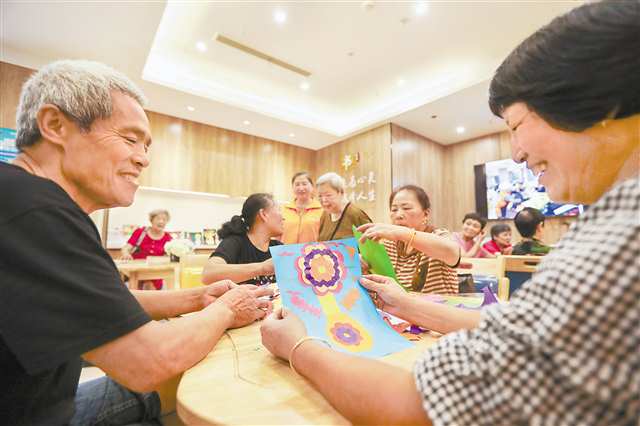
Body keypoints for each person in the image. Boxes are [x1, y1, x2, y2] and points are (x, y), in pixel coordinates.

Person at [260, 1, 640, 424]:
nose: (516, 154)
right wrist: (403, 303)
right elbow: (523, 330)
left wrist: (298, 346)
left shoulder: (622, 233)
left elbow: (422, 405)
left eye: (516, 126)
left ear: (595, 103)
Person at [0, 60, 272, 426]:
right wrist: (228, 308)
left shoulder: (22, 199)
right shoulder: (36, 209)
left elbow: (104, 306)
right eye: (130, 139)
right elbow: (149, 362)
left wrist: (197, 298)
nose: (143, 158)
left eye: (145, 145)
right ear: (55, 125)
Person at [359, 185, 460, 293]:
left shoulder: (438, 235)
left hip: (438, 304)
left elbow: (452, 251)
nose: (398, 215)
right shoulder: (390, 244)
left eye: (406, 208)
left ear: (425, 214)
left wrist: (403, 233)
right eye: (394, 209)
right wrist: (364, 266)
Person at [202, 193, 284, 286]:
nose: (283, 218)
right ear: (263, 214)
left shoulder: (279, 247)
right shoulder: (234, 242)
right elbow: (208, 275)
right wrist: (262, 268)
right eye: (279, 210)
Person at [121, 209, 173, 289]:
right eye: (158, 218)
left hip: (155, 275)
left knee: (149, 287)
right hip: (135, 273)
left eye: (164, 219)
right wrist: (126, 254)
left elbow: (168, 257)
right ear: (151, 220)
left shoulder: (168, 238)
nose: (161, 221)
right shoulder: (140, 232)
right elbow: (126, 248)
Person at [316, 172, 372, 240]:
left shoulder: (355, 214)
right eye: (320, 196)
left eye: (328, 195)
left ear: (341, 193)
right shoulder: (324, 215)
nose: (324, 200)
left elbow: (372, 241)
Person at [281, 171, 323, 244]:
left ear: (312, 187)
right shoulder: (283, 209)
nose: (301, 188)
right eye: (297, 184)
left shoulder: (322, 210)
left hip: (312, 250)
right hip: (286, 250)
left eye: (304, 184)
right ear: (292, 187)